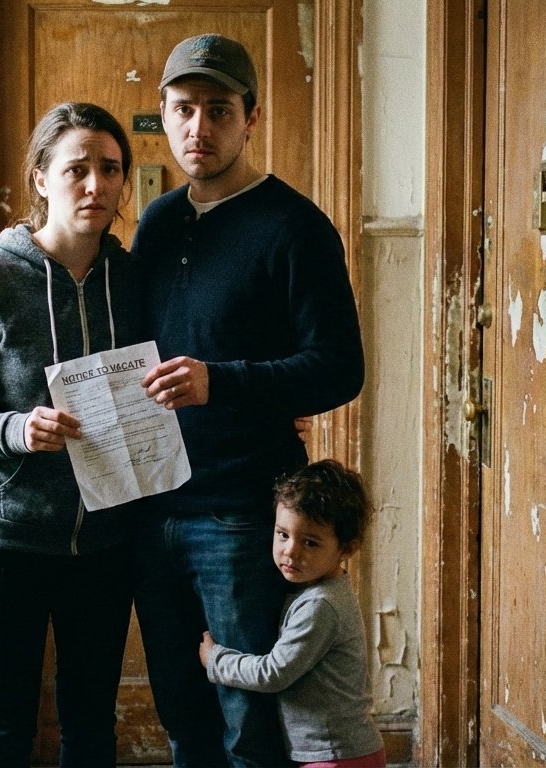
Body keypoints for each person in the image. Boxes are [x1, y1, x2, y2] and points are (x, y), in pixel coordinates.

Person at [131, 32, 366, 768]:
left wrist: (221, 380)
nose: (198, 128)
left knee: (249, 723)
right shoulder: (158, 222)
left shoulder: (295, 227)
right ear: (164, 116)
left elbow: (339, 368)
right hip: (152, 502)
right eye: (183, 110)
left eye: (218, 110)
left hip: (239, 513)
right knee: (180, 709)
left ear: (251, 118)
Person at [0, 101, 139, 768]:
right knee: (6, 721)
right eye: (77, 169)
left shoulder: (133, 281)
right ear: (41, 179)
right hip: (4, 541)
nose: (96, 186)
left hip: (105, 540)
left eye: (110, 170)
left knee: (90, 721)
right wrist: (19, 428)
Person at [199, 460, 386, 768]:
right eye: (283, 534)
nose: (290, 551)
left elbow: (274, 673)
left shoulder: (320, 605)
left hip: (335, 754)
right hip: (331, 752)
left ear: (347, 549)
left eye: (310, 542)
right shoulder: (315, 591)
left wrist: (216, 659)